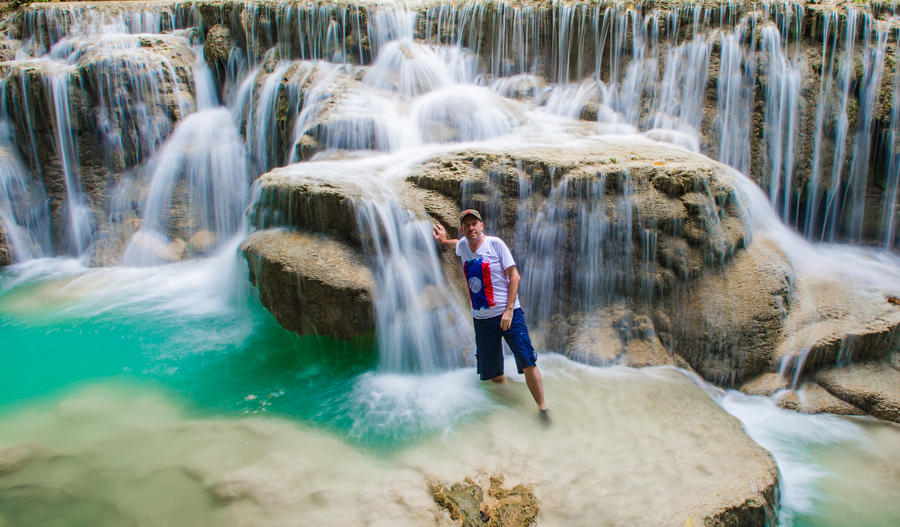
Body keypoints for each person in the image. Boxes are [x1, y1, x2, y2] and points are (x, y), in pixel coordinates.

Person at [433, 209, 549, 422]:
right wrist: (443, 241)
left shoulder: (495, 244)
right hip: (482, 320)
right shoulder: (463, 246)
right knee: (492, 371)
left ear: (481, 225)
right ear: (462, 229)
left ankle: (542, 409)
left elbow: (514, 276)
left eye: (474, 223)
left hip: (509, 315)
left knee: (527, 361)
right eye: (467, 225)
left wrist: (509, 309)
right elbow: (456, 244)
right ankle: (507, 399)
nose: (471, 228)